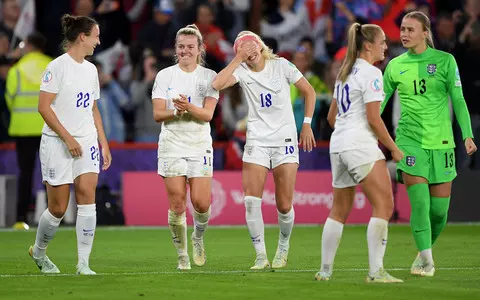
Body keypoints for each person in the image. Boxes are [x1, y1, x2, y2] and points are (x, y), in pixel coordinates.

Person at [382, 11, 477, 277]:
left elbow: (458, 99)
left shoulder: (446, 61)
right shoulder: (395, 65)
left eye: (411, 29)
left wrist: (467, 134)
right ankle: (427, 260)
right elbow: (378, 103)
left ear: (425, 33)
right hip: (410, 142)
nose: (404, 34)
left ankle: (422, 253)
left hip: (442, 143)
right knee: (421, 205)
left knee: (439, 213)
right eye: (402, 29)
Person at [212, 31, 316, 269]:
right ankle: (260, 255)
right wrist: (237, 59)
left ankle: (283, 245)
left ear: (260, 45)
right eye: (243, 48)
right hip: (257, 140)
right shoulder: (242, 71)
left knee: (284, 204)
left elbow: (308, 91)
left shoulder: (281, 65)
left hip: (285, 140)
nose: (250, 50)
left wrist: (307, 125)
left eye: (252, 44)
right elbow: (216, 84)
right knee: (251, 200)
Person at [314, 23, 403, 283]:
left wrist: (345, 135)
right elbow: (375, 120)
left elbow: (332, 117)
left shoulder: (345, 72)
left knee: (339, 209)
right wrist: (394, 149)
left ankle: (325, 270)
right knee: (384, 205)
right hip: (359, 143)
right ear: (368, 45)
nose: (386, 46)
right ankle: (376, 272)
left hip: (338, 143)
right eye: (382, 41)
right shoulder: (372, 73)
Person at [29, 14, 112, 275]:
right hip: (57, 143)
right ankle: (39, 253)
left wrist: (103, 142)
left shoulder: (91, 69)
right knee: (58, 208)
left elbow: (93, 108)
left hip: (86, 140)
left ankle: (83, 263)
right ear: (82, 37)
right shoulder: (57, 67)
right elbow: (43, 108)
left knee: (88, 198)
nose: (98, 42)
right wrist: (67, 138)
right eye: (95, 36)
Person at [152, 24, 219, 270]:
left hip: (199, 145)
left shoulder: (209, 77)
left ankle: (198, 237)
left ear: (200, 49)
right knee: (178, 203)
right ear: (175, 49)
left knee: (201, 203)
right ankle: (182, 255)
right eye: (181, 47)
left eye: (190, 47)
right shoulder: (164, 75)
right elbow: (158, 114)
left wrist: (187, 107)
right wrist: (175, 111)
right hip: (171, 144)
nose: (185, 51)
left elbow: (208, 115)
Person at [5, 32, 52, 230]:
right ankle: (54, 217)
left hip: (23, 129)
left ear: (30, 46)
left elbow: (9, 98)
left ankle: (20, 218)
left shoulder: (17, 69)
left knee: (26, 173)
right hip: (49, 127)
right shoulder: (53, 65)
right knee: (51, 174)